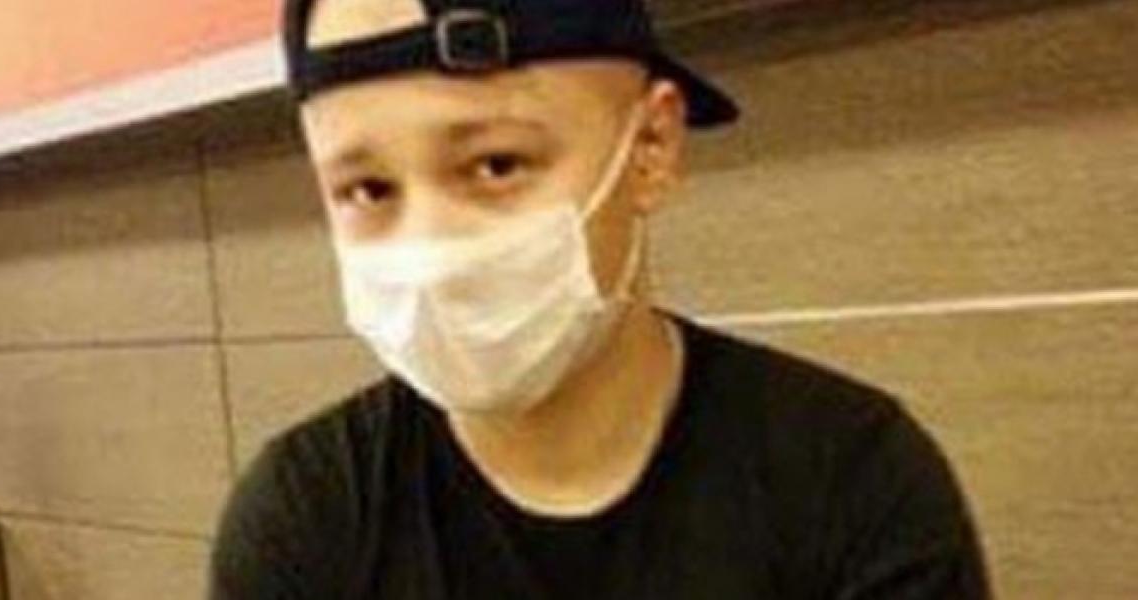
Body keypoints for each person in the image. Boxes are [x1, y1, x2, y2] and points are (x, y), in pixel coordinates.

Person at [209, 0, 993, 598]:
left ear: (651, 147)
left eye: (496, 165)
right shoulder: (305, 518)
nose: (431, 251)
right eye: (367, 189)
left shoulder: (848, 478)